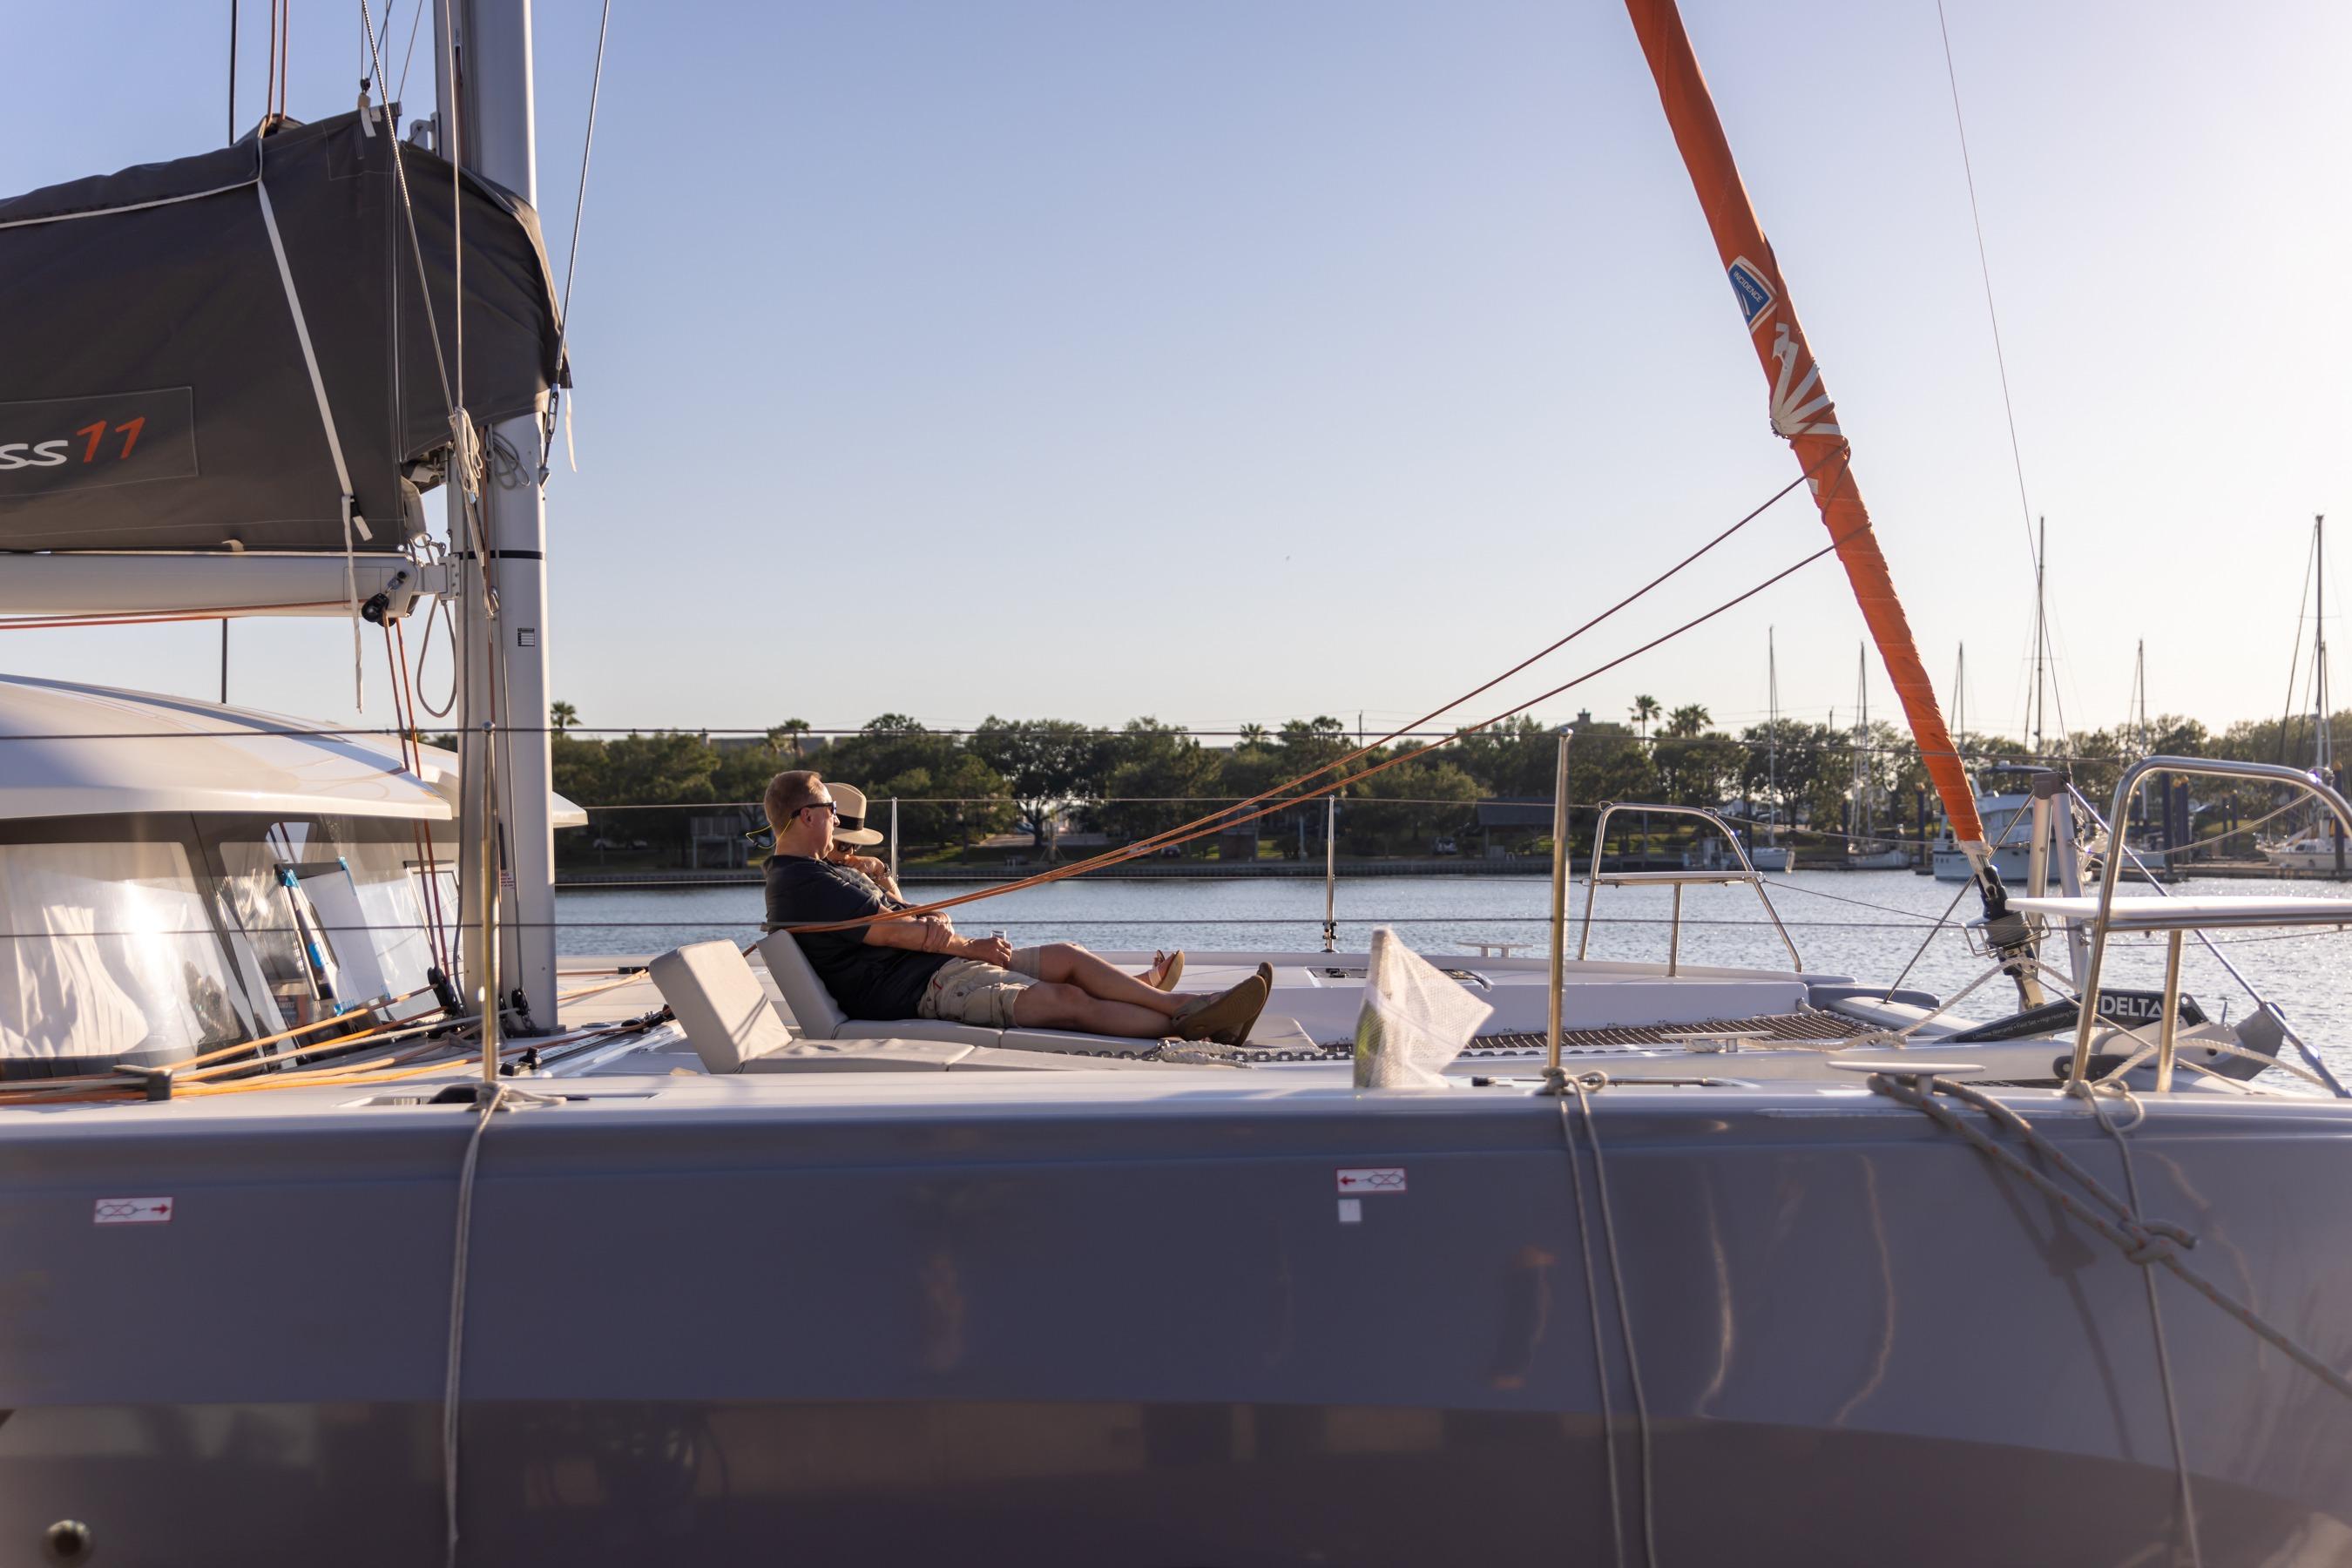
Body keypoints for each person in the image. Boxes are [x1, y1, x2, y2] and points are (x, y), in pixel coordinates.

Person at [761, 769, 1266, 1041]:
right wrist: (973, 948)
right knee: (1063, 1001)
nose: (835, 820)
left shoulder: (818, 875)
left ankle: (1171, 1006)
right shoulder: (807, 880)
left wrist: (889, 886)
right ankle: (1191, 1018)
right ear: (808, 816)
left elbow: (902, 922)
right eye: (831, 810)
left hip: (930, 966)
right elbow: (894, 933)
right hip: (916, 986)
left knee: (1066, 956)